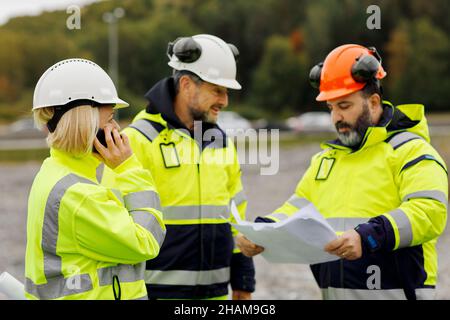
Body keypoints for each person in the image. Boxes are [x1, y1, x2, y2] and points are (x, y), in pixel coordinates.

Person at [237, 44, 448, 300]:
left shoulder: (410, 151)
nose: (336, 117)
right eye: (331, 108)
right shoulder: (326, 160)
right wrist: (261, 231)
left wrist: (369, 236)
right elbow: (297, 209)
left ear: (373, 102)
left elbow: (429, 210)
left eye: (345, 106)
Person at [101, 34, 255, 300]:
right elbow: (114, 226)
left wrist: (243, 280)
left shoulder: (220, 141)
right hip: (156, 294)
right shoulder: (137, 140)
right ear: (186, 85)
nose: (225, 101)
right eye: (217, 90)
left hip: (216, 294)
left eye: (226, 92)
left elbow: (235, 215)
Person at [25, 58, 166, 300]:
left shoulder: (56, 172)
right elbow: (146, 243)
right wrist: (128, 168)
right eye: (110, 118)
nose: (116, 129)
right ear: (84, 120)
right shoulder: (78, 194)